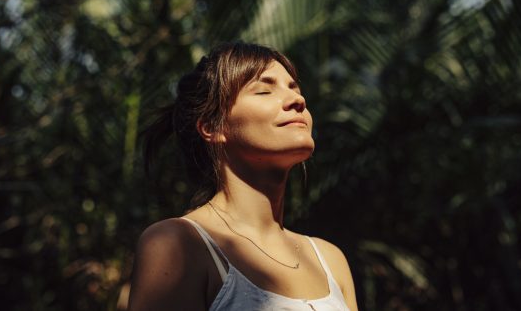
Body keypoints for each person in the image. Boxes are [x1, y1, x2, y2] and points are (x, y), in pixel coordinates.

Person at [128, 42, 359, 311]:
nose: (298, 100)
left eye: (295, 88)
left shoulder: (330, 260)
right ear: (212, 127)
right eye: (263, 90)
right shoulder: (178, 244)